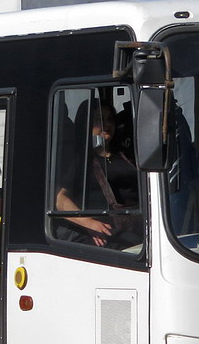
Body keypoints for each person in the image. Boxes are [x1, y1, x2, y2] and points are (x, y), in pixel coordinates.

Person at [54, 102, 140, 248]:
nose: (106, 124)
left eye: (110, 119)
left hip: (136, 223)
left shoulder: (124, 154)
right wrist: (90, 223)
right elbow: (60, 200)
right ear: (86, 123)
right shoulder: (81, 158)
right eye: (99, 120)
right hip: (103, 233)